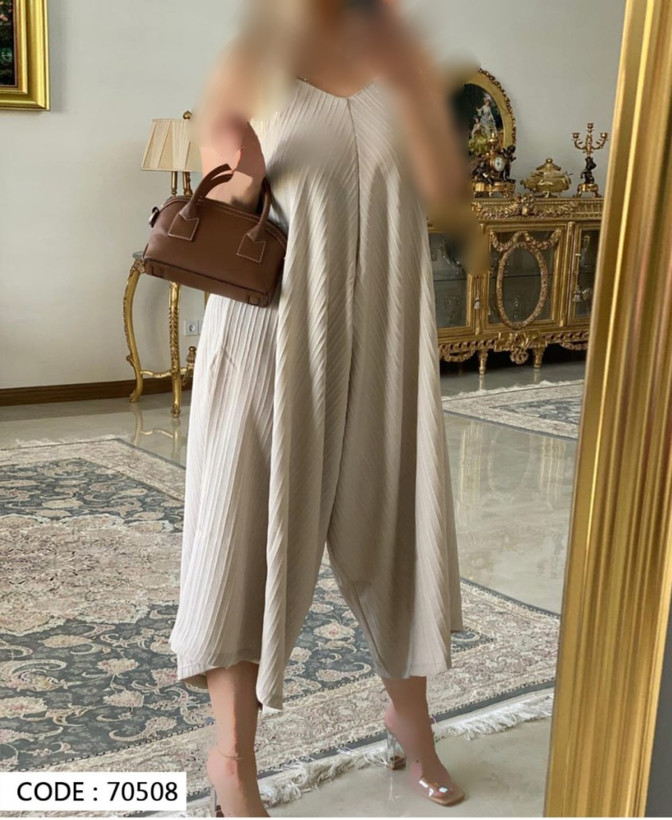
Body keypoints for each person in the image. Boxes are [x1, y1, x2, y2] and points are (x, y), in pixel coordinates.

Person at [168, 0, 471, 814]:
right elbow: (224, 214)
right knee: (244, 538)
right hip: (269, 338)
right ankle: (232, 758)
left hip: (387, 335)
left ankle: (412, 725)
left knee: (397, 524)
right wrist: (247, 169)